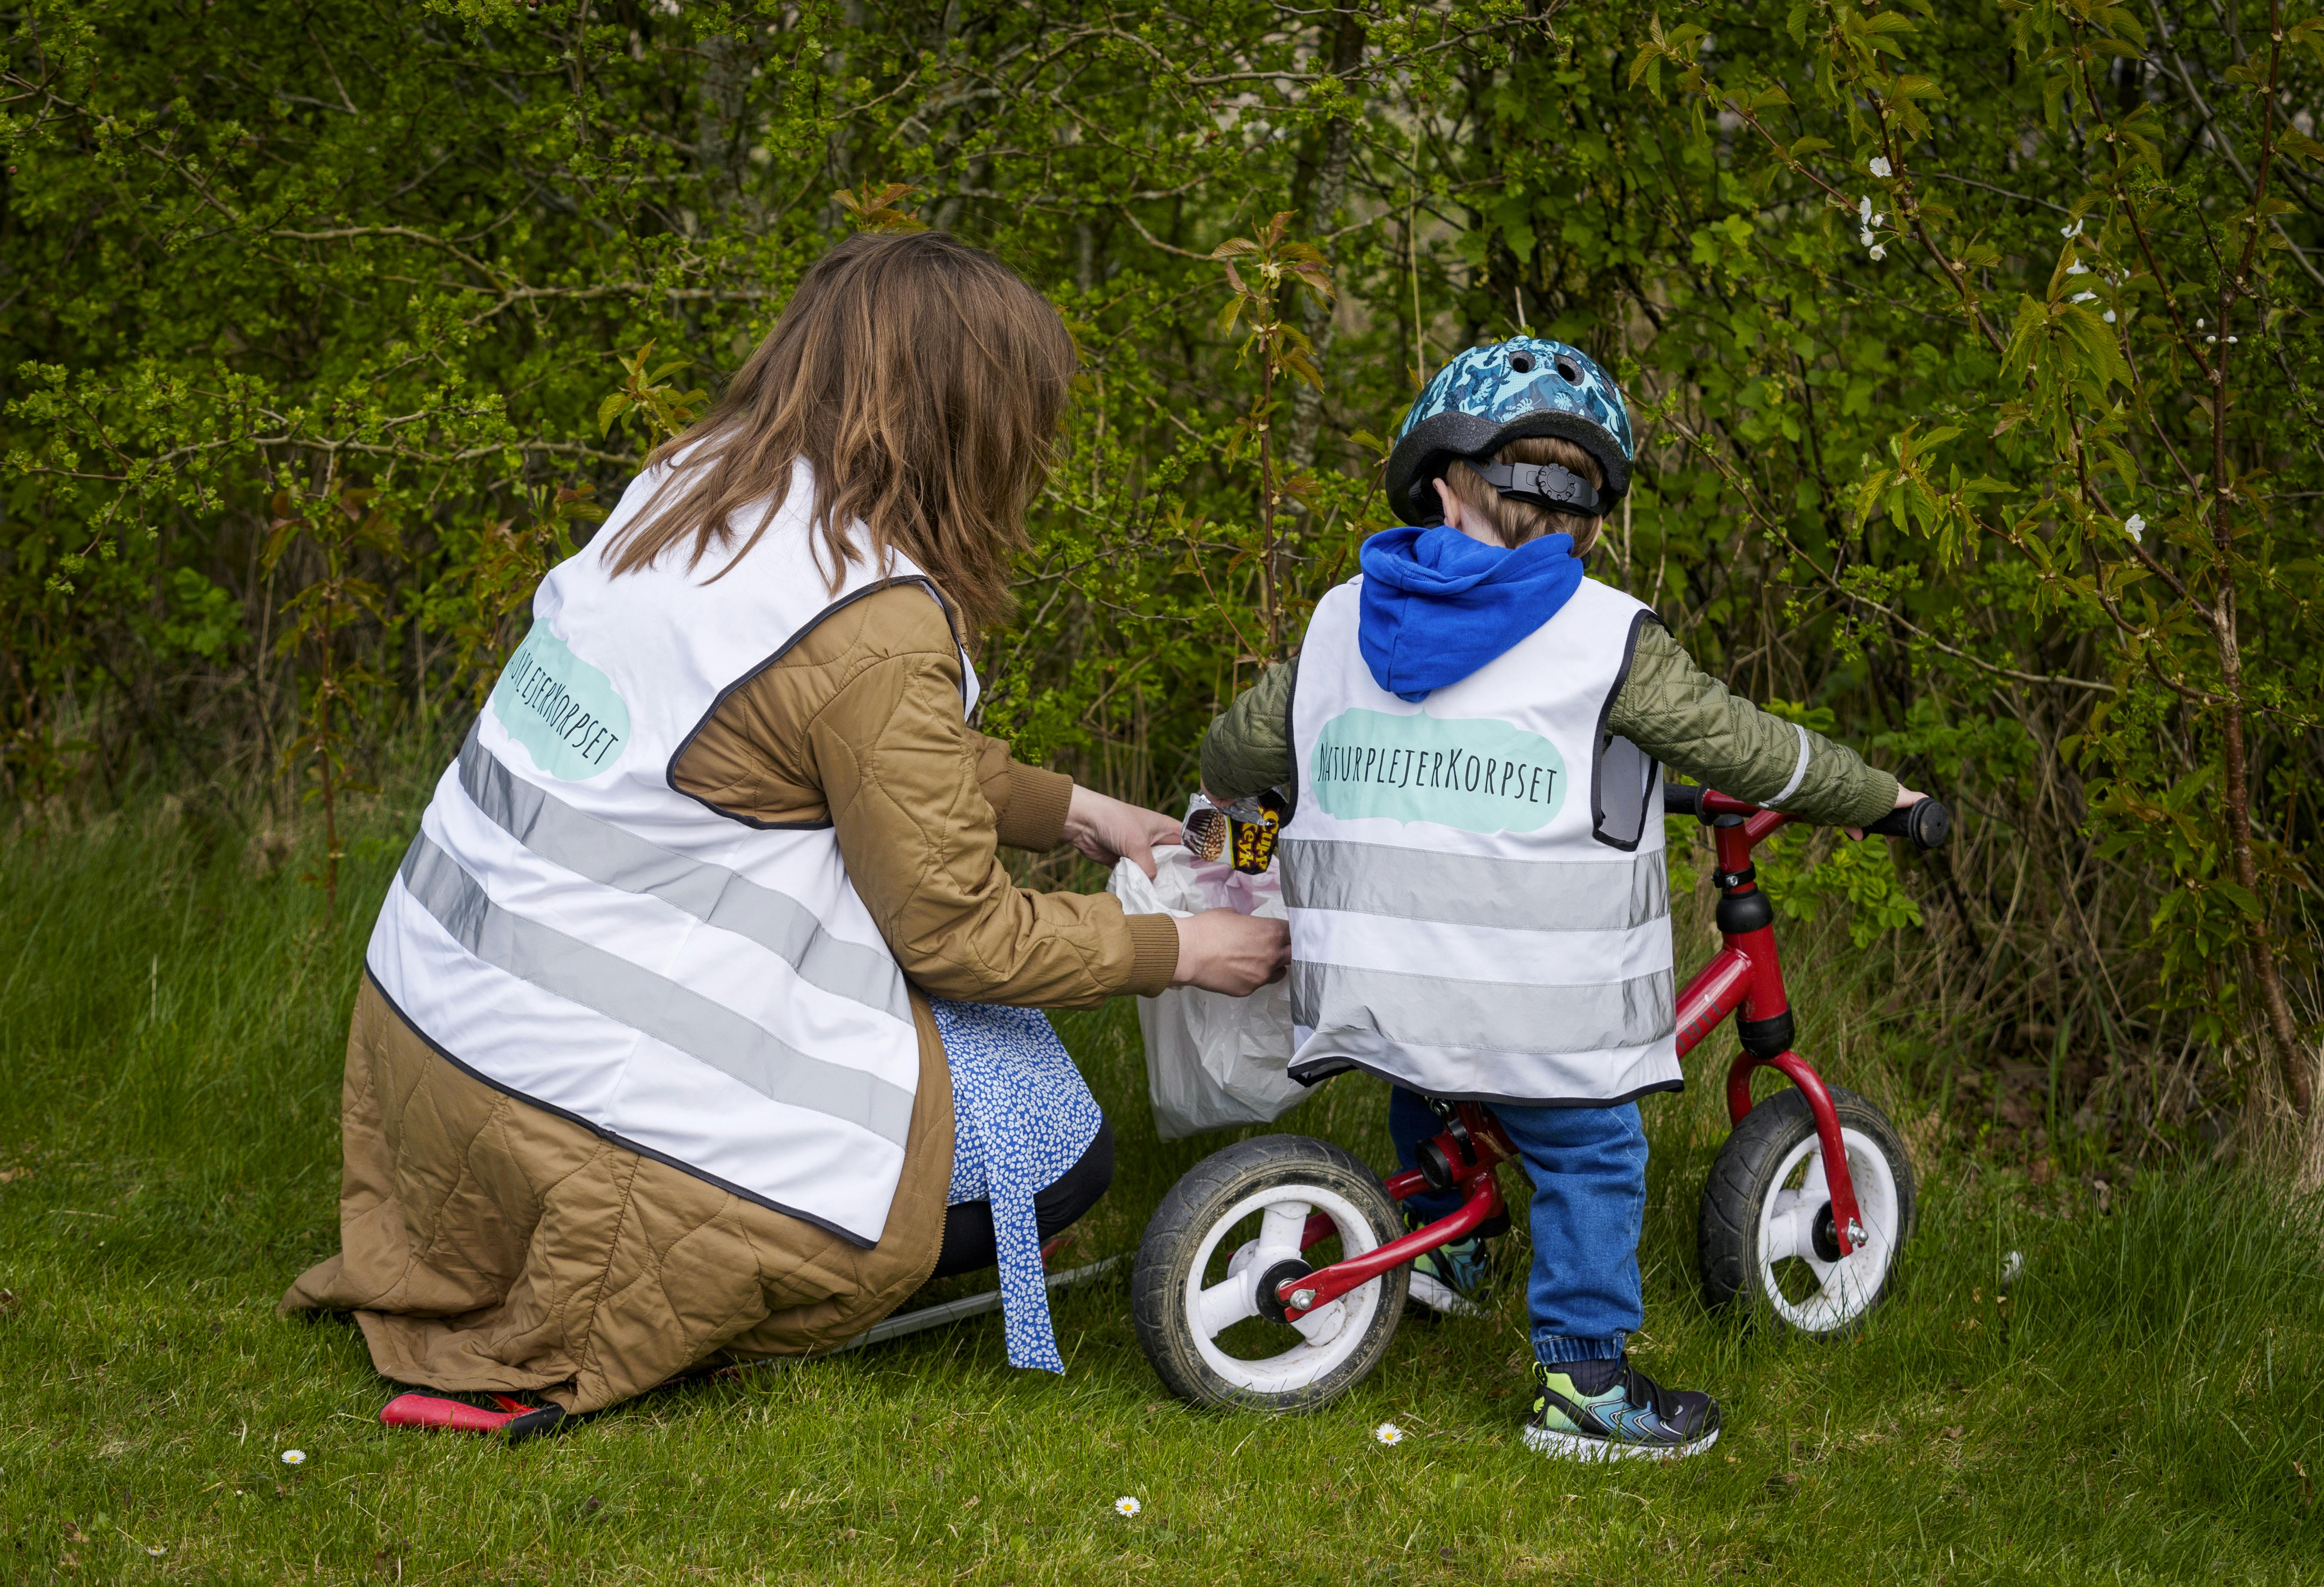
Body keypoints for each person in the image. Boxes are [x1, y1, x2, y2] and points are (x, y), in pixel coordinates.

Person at [283, 230, 1289, 1419]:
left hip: (434, 1049)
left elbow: (832, 745)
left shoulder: (692, 491)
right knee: (1061, 1151)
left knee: (986, 1063)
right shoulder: (874, 622)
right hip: (583, 1119)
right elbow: (960, 936)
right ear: (971, 424)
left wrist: (1072, 809)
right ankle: (734, 1279)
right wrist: (1180, 953)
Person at [1197, 336, 1923, 1461]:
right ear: (1589, 517)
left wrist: (1236, 805)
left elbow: (1237, 751)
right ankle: (1584, 1384)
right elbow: (1747, 748)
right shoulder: (1604, 642)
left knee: (1430, 1068)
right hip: (1530, 1007)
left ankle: (1443, 1244)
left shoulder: (1339, 623)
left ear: (1434, 483)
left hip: (1366, 993)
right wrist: (1882, 799)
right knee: (1590, 1149)